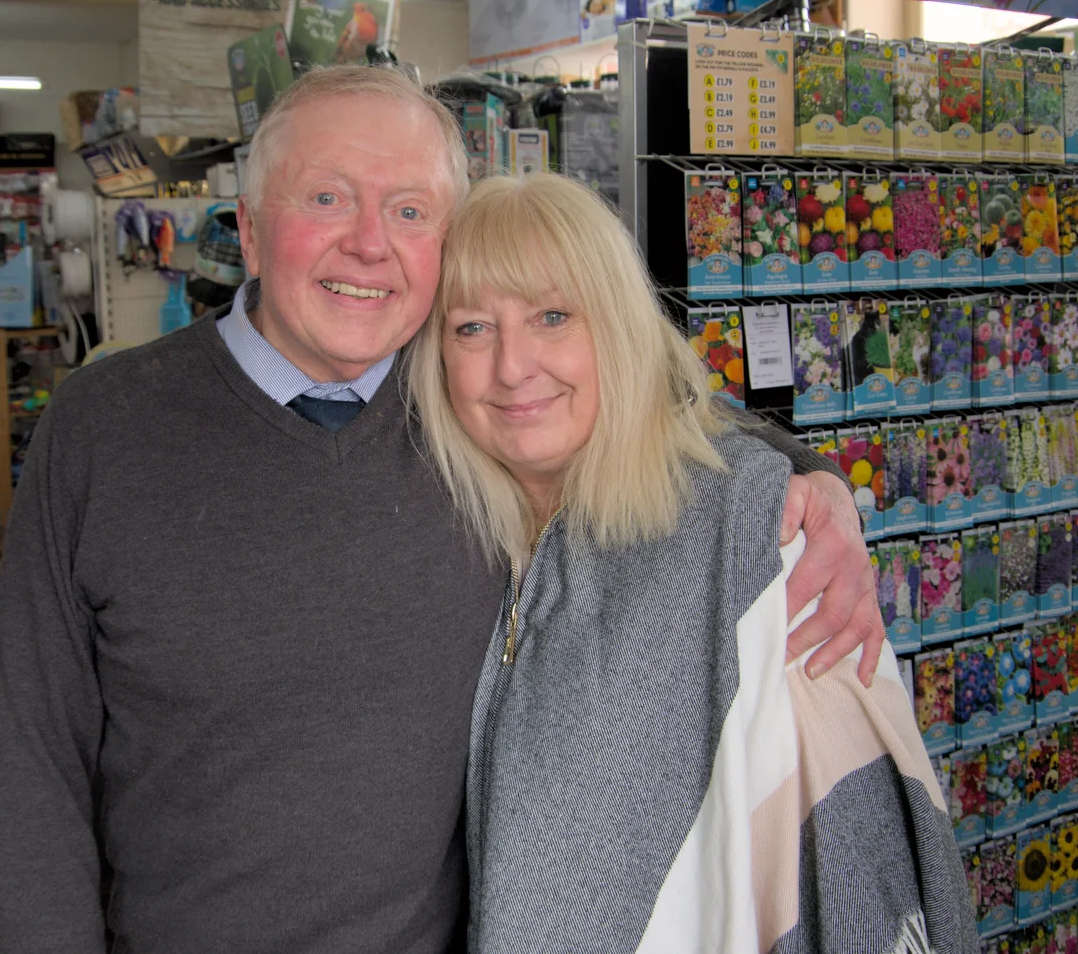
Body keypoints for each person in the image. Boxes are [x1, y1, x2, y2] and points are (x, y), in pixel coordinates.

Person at [0, 65, 884, 954]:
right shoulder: (103, 427)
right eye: (327, 199)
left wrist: (814, 484)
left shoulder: (465, 392)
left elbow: (648, 402)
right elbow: (28, 755)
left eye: (409, 211)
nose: (370, 243)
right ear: (249, 231)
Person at [405, 170, 976, 954]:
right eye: (472, 327)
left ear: (618, 327)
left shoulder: (757, 537)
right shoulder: (467, 529)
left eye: (552, 316)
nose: (512, 366)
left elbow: (857, 871)